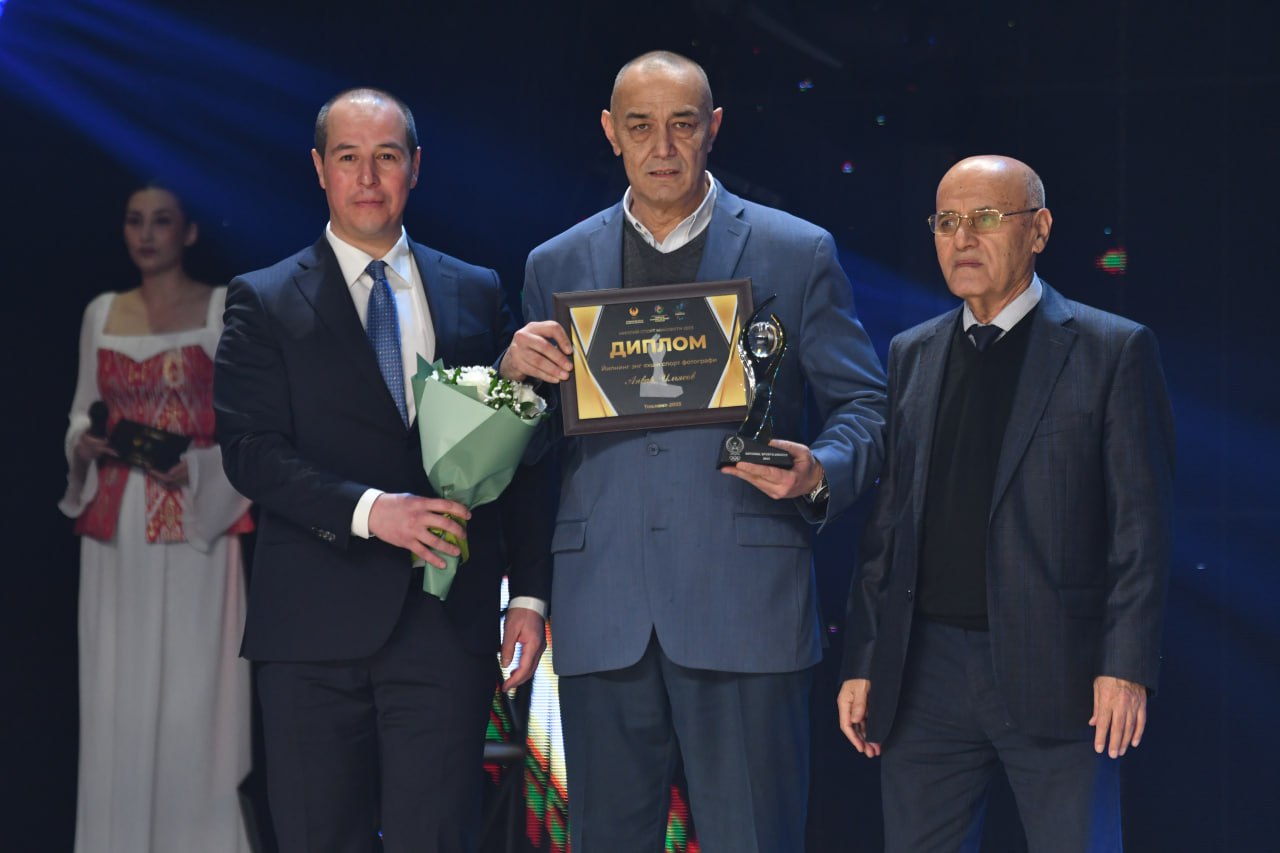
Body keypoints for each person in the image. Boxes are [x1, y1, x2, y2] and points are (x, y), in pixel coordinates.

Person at [500, 51, 888, 852]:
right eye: (640, 126)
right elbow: (534, 449)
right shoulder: (554, 263)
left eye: (682, 124)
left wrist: (821, 469)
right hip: (603, 607)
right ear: (610, 132)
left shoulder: (796, 250)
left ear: (713, 128)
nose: (662, 147)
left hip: (744, 602)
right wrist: (513, 382)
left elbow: (866, 405)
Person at [213, 87, 551, 852]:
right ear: (319, 169)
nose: (368, 177)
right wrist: (373, 510)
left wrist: (529, 594)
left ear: (416, 167)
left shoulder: (476, 290)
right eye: (349, 157)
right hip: (310, 632)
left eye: (387, 157)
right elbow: (250, 451)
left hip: (446, 625)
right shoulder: (262, 299)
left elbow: (524, 453)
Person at [838, 155, 1175, 851]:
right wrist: (865, 659)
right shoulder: (912, 352)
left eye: (985, 218)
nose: (962, 238)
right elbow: (889, 525)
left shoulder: (1112, 349)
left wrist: (1127, 664)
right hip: (924, 673)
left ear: (1039, 229)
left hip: (1061, 671)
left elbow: (1140, 531)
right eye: (946, 222)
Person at [60, 183, 254, 852]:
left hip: (198, 525)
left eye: (161, 221)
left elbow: (248, 430)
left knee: (194, 698)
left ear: (189, 231)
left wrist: (198, 469)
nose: (146, 234)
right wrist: (82, 444)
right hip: (116, 530)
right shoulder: (101, 313)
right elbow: (80, 412)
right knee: (117, 693)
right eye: (135, 221)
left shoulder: (224, 308)